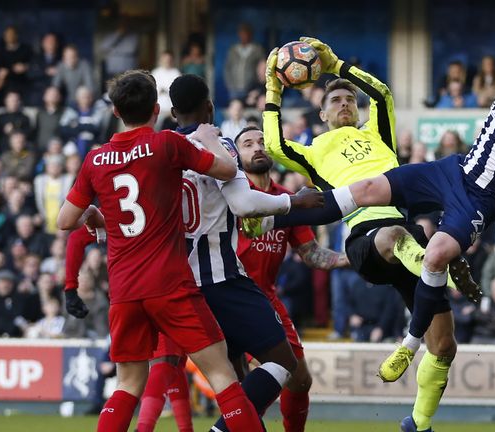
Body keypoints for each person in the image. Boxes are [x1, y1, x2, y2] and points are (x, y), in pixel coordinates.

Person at [248, 39, 495, 432]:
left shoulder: (377, 134)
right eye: (335, 101)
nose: (344, 104)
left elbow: (380, 93)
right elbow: (276, 144)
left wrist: (337, 65)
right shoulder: (311, 150)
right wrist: (273, 89)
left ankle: (419, 421)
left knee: (445, 344)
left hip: (431, 217)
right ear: (322, 112)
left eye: (349, 99)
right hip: (370, 234)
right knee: (377, 220)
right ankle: (270, 220)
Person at [56, 70, 263, 432]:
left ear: (116, 112)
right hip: (170, 285)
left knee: (127, 385)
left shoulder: (95, 159)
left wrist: (92, 213)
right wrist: (210, 137)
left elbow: (65, 221)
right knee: (221, 374)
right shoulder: (167, 144)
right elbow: (229, 170)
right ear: (156, 108)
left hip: (124, 291)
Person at [167, 74, 324, 432]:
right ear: (210, 107)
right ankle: (221, 429)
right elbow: (241, 204)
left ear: (173, 112)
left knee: (205, 375)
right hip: (223, 279)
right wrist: (293, 202)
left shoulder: (162, 150)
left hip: (176, 282)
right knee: (283, 363)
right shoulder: (219, 146)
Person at [235, 125, 349, 432]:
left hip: (268, 299)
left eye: (261, 141)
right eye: (248, 144)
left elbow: (311, 253)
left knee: (300, 379)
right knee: (246, 380)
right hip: (231, 297)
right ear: (236, 156)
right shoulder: (233, 198)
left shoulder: (288, 200)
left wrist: (351, 259)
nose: (257, 146)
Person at [64, 225, 194, 432]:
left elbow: (74, 233)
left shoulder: (117, 206)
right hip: (164, 290)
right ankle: (144, 428)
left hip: (123, 297)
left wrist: (70, 287)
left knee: (167, 366)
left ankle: (184, 429)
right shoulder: (163, 205)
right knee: (167, 363)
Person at [223, 23, 265, 100]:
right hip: (235, 89)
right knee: (235, 107)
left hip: (253, 89)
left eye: (246, 34)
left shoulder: (257, 49)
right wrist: (230, 86)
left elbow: (262, 68)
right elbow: (227, 69)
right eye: (242, 34)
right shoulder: (233, 50)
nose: (244, 36)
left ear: (251, 34)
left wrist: (258, 86)